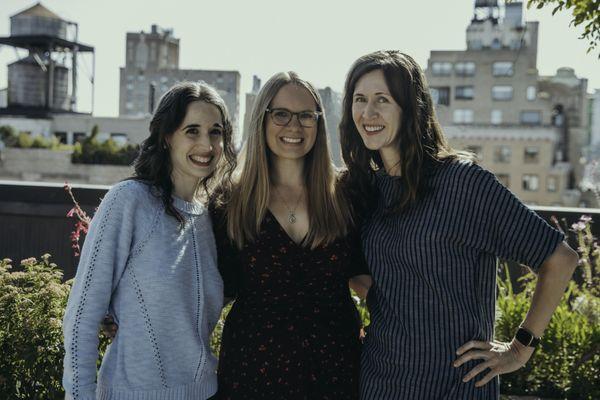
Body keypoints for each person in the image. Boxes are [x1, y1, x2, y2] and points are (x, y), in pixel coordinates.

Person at [339, 50, 578, 399]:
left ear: (411, 108)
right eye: (360, 99)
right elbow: (365, 272)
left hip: (455, 387)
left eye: (383, 100)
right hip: (380, 381)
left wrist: (520, 348)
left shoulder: (461, 182)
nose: (368, 112)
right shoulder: (367, 188)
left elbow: (559, 259)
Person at [62, 81, 236, 400]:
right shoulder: (130, 202)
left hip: (206, 393)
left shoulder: (216, 215)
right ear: (167, 136)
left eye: (216, 132)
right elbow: (82, 315)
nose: (206, 144)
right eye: (192, 131)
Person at [211, 71, 371, 400]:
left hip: (335, 374)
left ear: (319, 122)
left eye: (306, 116)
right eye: (281, 114)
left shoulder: (347, 194)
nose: (294, 127)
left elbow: (370, 281)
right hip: (251, 375)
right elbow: (208, 294)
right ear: (262, 119)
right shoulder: (230, 200)